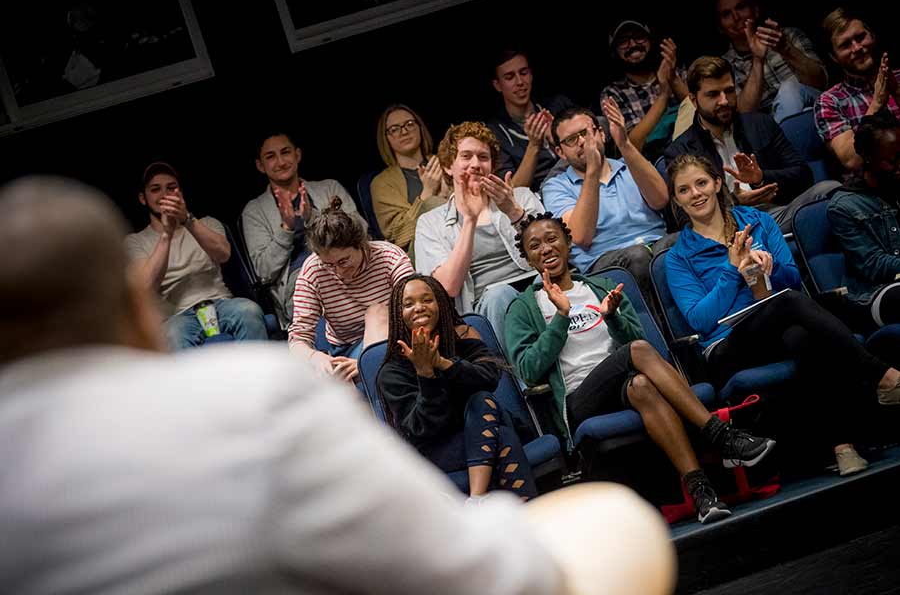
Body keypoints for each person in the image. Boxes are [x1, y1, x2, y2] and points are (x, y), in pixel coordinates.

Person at [0, 175, 678, 595]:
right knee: (609, 528)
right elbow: (462, 574)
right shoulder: (251, 394)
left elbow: (412, 312)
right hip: (356, 367)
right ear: (138, 310)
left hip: (384, 349)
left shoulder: (385, 260)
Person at [506, 212, 776, 524]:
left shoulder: (601, 286)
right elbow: (527, 369)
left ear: (568, 243)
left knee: (642, 386)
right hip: (580, 398)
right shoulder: (525, 307)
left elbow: (638, 341)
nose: (546, 249)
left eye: (552, 239)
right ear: (527, 258)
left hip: (623, 385)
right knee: (637, 354)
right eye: (535, 245)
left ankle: (702, 492)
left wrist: (613, 316)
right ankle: (720, 435)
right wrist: (561, 319)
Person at [665, 154, 900, 475]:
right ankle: (883, 375)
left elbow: (792, 279)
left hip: (779, 325)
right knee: (789, 304)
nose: (695, 193)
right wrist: (731, 269)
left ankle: (841, 447)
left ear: (718, 183)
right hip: (727, 347)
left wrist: (768, 271)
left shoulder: (758, 221)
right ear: (677, 200)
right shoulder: (678, 257)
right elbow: (699, 320)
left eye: (701, 183)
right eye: (684, 190)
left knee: (800, 335)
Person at [378, 274, 538, 503]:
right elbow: (422, 428)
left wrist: (444, 364)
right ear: (397, 314)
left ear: (440, 304)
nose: (419, 308)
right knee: (503, 437)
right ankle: (524, 517)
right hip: (439, 448)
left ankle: (476, 500)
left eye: (427, 300)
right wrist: (425, 375)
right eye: (408, 304)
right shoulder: (392, 372)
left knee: (482, 400)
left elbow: (490, 378)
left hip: (480, 426)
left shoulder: (463, 336)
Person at [665, 56, 838, 233]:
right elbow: (680, 217)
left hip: (776, 213)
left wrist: (761, 178)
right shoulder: (680, 150)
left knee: (829, 189)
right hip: (726, 228)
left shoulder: (760, 124)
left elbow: (803, 175)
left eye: (729, 91)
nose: (724, 101)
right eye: (713, 94)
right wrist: (734, 201)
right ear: (694, 100)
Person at [415, 121, 543, 348]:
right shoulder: (430, 223)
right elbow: (448, 287)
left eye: (483, 157)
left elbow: (554, 252)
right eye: (466, 156)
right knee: (500, 295)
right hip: (486, 304)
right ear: (448, 166)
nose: (475, 164)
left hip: (534, 283)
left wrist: (514, 212)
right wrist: (470, 220)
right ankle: (521, 381)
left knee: (547, 284)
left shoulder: (521, 198)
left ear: (492, 166)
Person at [542, 101, 674, 310]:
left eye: (586, 133)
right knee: (638, 257)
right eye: (571, 140)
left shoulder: (630, 164)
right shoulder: (555, 187)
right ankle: (660, 340)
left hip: (655, 244)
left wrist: (625, 144)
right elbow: (580, 236)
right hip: (603, 263)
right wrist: (593, 170)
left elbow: (660, 200)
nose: (582, 142)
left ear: (601, 134)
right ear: (560, 152)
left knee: (681, 241)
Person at [125, 162, 267, 349]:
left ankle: (259, 377)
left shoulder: (208, 223)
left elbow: (224, 254)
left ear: (180, 193)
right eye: (155, 189)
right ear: (143, 198)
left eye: (171, 188)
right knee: (173, 335)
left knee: (249, 310)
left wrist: (187, 220)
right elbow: (145, 286)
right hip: (176, 316)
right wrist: (166, 235)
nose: (164, 194)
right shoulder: (136, 241)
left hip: (221, 303)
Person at [242, 129, 368, 329]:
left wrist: (313, 217)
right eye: (270, 156)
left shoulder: (328, 188)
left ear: (297, 155)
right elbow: (264, 272)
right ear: (260, 165)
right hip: (300, 285)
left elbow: (361, 231)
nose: (281, 162)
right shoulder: (255, 211)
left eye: (285, 152)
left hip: (347, 270)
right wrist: (286, 229)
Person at [289, 198, 412, 383]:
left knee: (377, 312)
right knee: (336, 375)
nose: (337, 272)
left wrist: (365, 362)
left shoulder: (389, 258)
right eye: (328, 265)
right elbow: (297, 339)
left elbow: (415, 313)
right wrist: (316, 357)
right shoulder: (313, 270)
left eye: (343, 261)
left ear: (361, 244)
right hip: (347, 348)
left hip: (396, 338)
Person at [827, 110, 900, 331]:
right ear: (868, 157)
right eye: (893, 161)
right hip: (871, 295)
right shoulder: (843, 207)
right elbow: (873, 265)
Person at [815, 8, 900, 174]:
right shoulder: (829, 101)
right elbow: (851, 159)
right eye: (845, 45)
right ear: (833, 57)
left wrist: (896, 93)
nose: (857, 48)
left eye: (860, 37)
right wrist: (876, 104)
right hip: (877, 192)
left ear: (872, 36)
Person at [715, 0, 826, 121]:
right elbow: (744, 114)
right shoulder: (724, 66)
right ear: (720, 28)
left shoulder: (789, 36)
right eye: (726, 14)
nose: (736, 17)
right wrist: (757, 60)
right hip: (769, 129)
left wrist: (787, 50)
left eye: (741, 7)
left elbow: (821, 82)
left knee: (789, 90)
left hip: (817, 109)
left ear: (755, 10)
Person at [486, 48, 574, 191]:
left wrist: (558, 138)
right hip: (539, 199)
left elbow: (591, 142)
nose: (520, 81)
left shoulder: (558, 105)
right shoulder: (495, 132)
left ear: (531, 75)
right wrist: (534, 145)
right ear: (497, 85)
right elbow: (512, 191)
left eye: (523, 73)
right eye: (509, 77)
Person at [600, 20, 690, 159]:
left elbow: (702, 111)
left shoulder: (677, 73)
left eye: (638, 37)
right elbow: (632, 144)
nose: (633, 44)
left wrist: (672, 79)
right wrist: (663, 94)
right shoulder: (613, 93)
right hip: (654, 162)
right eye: (624, 41)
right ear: (614, 51)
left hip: (692, 146)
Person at [371, 104, 448, 256]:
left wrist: (448, 193)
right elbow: (399, 235)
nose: (404, 132)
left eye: (410, 124)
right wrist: (428, 192)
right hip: (420, 253)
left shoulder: (446, 163)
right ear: (386, 138)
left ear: (420, 127)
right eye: (394, 129)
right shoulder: (382, 184)